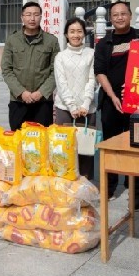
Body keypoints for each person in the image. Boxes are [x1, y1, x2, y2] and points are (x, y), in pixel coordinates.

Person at [94, 1, 139, 209]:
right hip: (112, 103)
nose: (119, 17)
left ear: (130, 15)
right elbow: (99, 72)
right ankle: (109, 188)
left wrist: (135, 92)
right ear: (111, 18)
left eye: (123, 14)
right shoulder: (104, 44)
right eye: (115, 15)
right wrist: (113, 96)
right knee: (112, 148)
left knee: (136, 147)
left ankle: (135, 192)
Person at [2, 1, 60, 131]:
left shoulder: (51, 41)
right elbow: (6, 70)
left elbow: (56, 71)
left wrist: (42, 92)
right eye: (28, 15)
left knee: (42, 141)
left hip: (43, 102)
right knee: (18, 140)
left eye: (36, 14)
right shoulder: (12, 40)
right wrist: (21, 92)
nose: (32, 18)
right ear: (22, 17)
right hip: (18, 101)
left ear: (41, 16)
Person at [53, 17, 97, 179]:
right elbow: (61, 83)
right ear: (66, 34)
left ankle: (85, 188)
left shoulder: (91, 54)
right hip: (65, 109)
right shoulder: (60, 57)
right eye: (72, 31)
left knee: (85, 151)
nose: (76, 35)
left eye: (79, 31)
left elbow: (92, 80)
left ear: (84, 34)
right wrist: (72, 106)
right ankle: (64, 185)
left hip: (87, 110)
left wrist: (85, 104)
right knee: (64, 149)